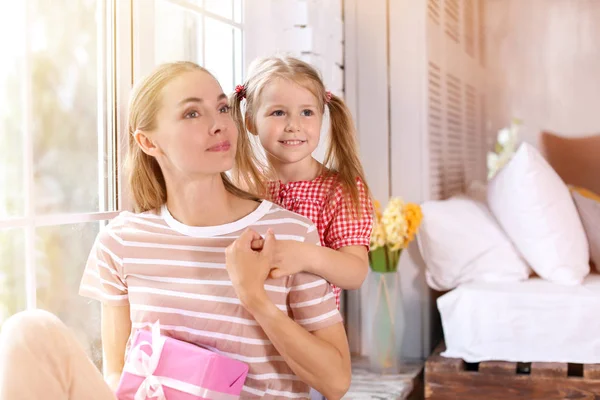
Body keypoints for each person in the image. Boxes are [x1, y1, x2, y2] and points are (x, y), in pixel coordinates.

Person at [0, 61, 351, 400]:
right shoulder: (121, 241)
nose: (219, 125)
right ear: (148, 142)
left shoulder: (289, 234)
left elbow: (336, 382)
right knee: (28, 332)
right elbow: (118, 374)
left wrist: (255, 298)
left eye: (222, 109)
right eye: (192, 113)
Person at [230, 56, 374, 310]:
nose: (293, 126)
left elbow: (355, 273)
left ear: (322, 117)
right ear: (251, 121)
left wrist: (305, 255)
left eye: (306, 112)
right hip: (250, 328)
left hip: (310, 334)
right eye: (278, 112)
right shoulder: (242, 186)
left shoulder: (338, 190)